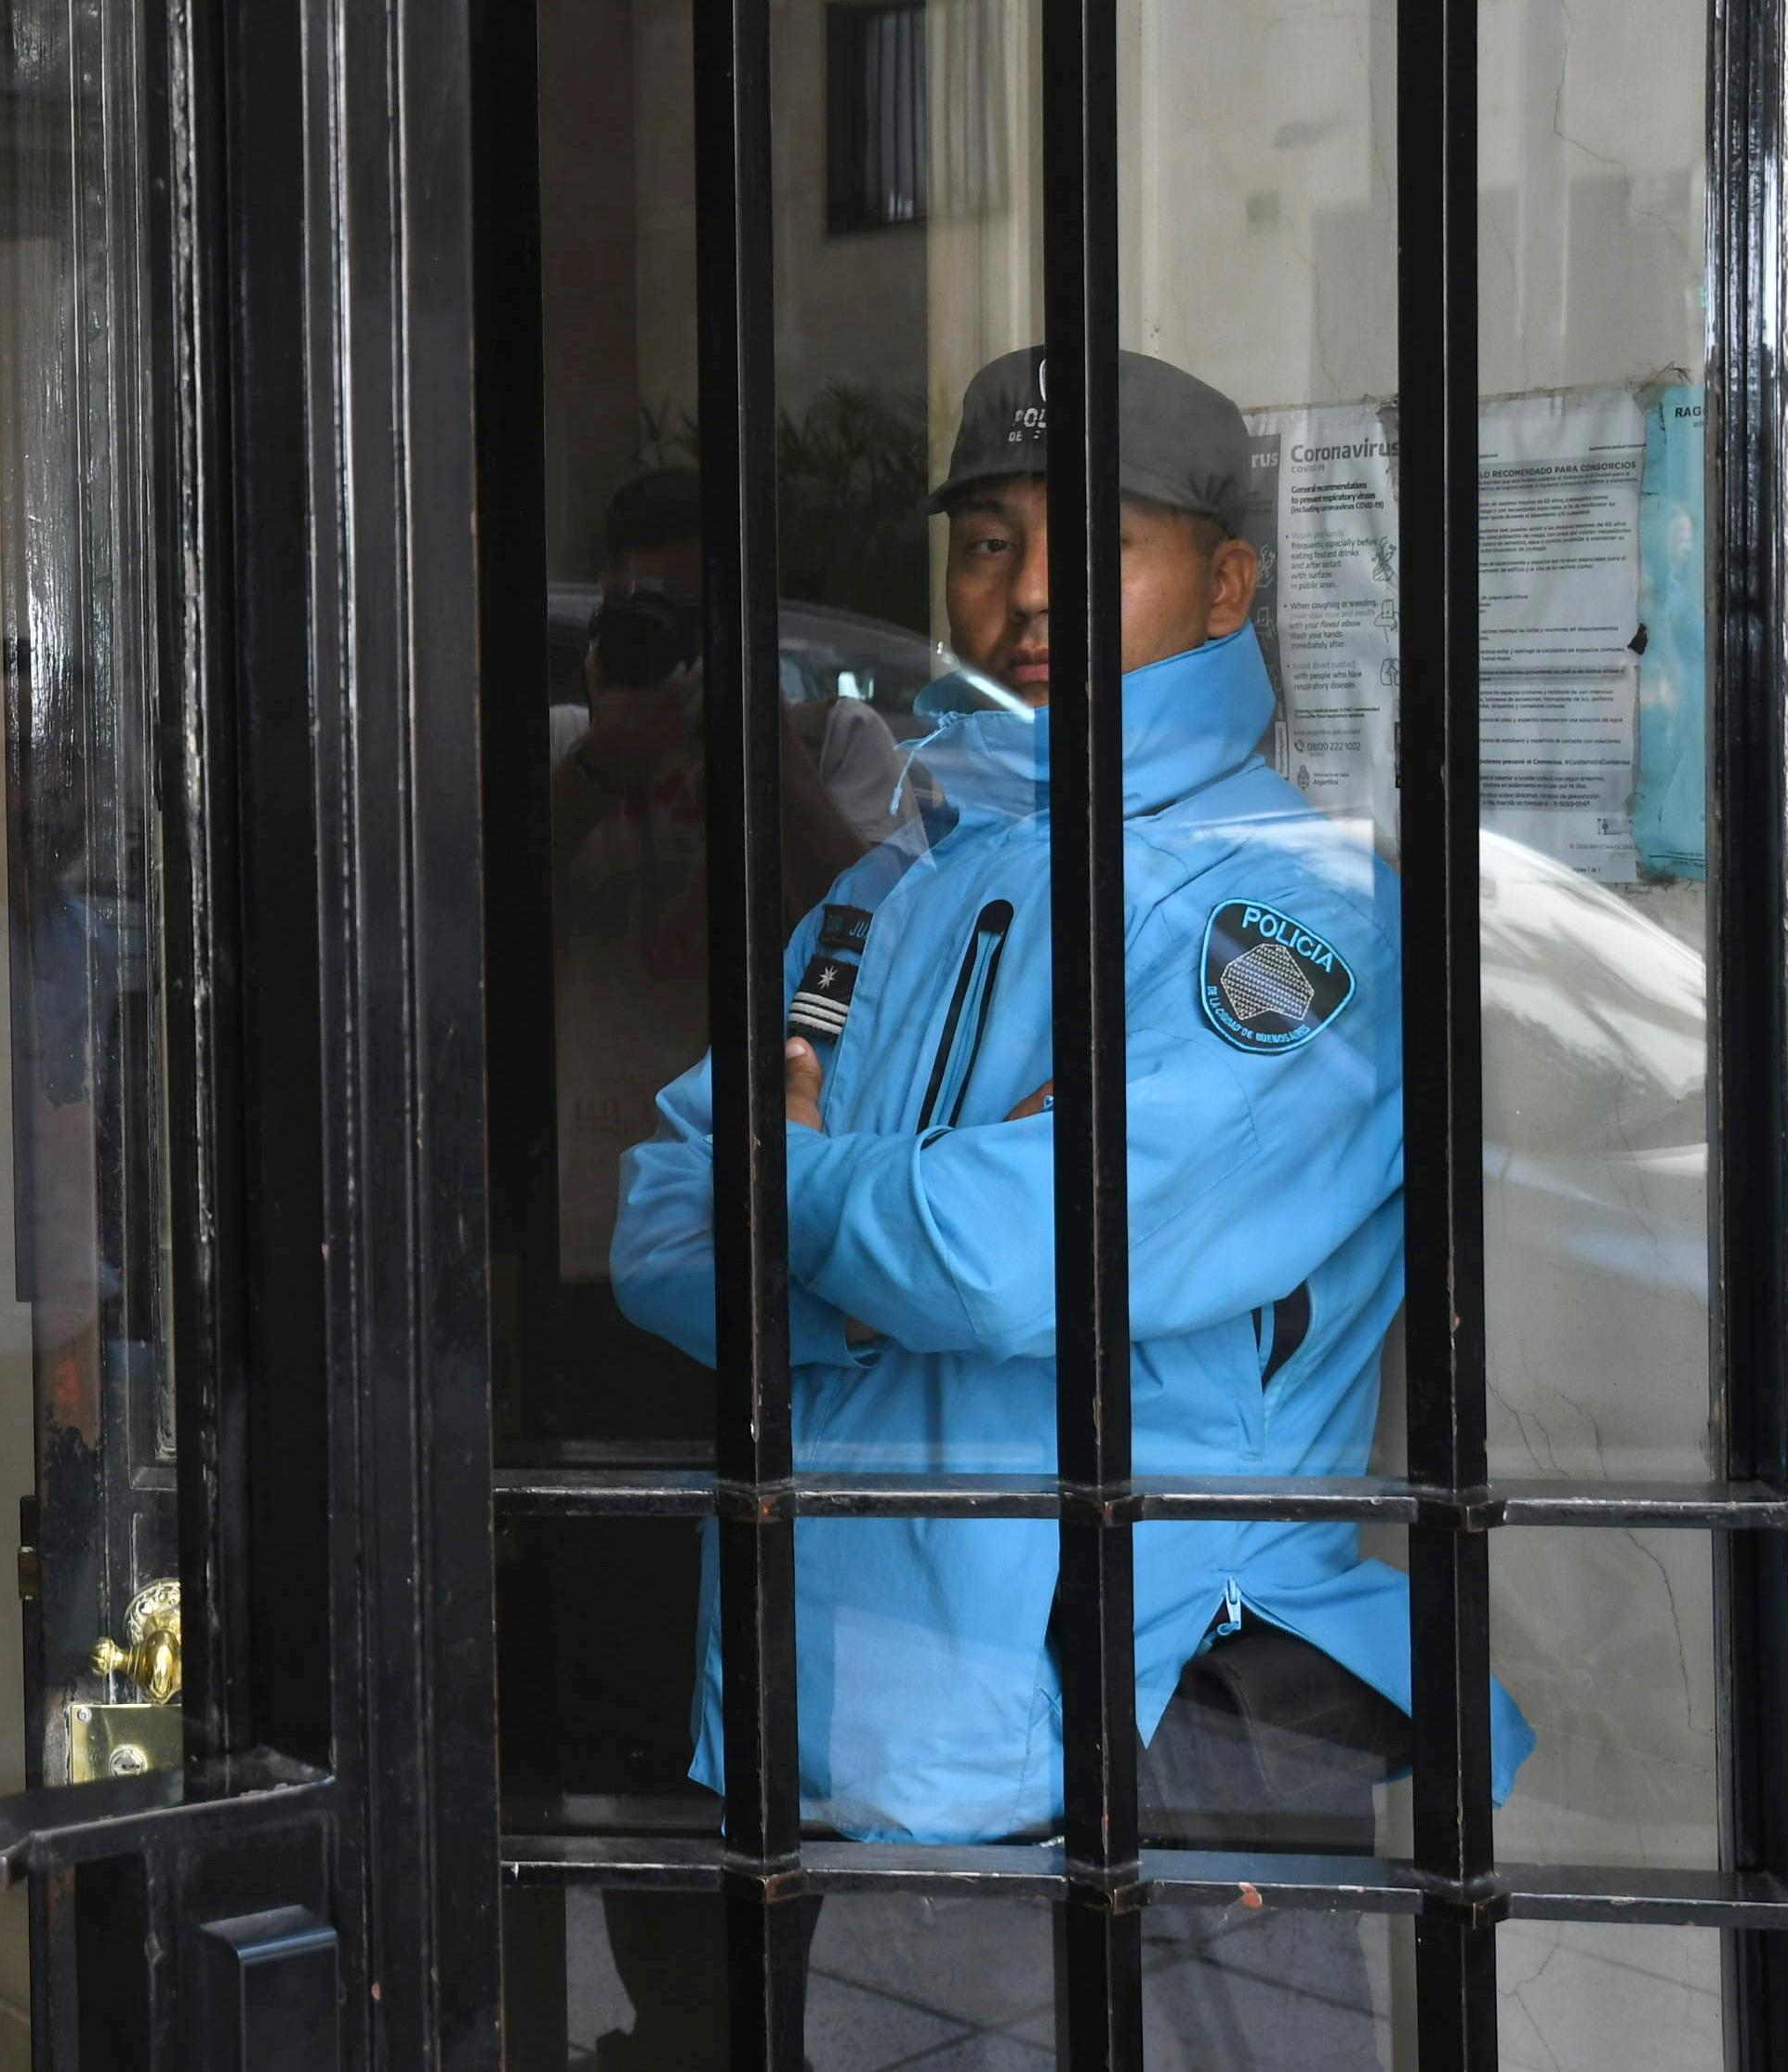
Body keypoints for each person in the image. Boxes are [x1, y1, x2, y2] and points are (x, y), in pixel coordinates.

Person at [602, 350, 1533, 2066]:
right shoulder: (897, 885)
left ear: (1227, 579)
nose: (1024, 591)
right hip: (849, 1741)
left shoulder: (1293, 914)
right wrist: (896, 1250)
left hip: (1144, 1727)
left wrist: (809, 1190)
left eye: (1092, 541)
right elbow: (659, 1231)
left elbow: (1013, 1249)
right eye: (985, 542)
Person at [509, 469, 916, 2067]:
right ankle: (669, 2014)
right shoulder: (565, 766)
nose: (661, 639)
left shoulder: (834, 754)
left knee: (764, 1666)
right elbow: (472, 938)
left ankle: (760, 2016)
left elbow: (872, 934)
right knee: (616, 1678)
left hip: (763, 1267)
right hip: (594, 1280)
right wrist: (606, 762)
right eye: (641, 610)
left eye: (689, 610)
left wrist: (742, 743)